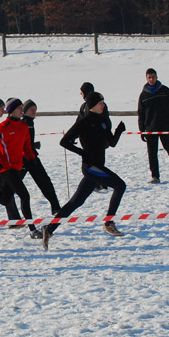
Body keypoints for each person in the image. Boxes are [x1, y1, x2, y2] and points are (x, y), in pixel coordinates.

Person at [42, 92, 127, 250]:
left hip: (97, 167)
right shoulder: (84, 121)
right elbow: (64, 141)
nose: (103, 104)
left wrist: (119, 131)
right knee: (120, 186)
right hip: (90, 168)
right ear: (92, 105)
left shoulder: (103, 120)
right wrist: (82, 153)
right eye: (100, 102)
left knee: (76, 202)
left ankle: (49, 228)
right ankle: (108, 223)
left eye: (103, 101)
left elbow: (112, 143)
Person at [0, 98, 41, 239]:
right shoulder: (2, 127)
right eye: (19, 108)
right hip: (5, 168)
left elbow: (26, 146)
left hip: (17, 167)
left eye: (22, 107)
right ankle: (33, 230)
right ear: (11, 110)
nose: (22, 110)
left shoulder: (23, 127)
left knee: (4, 199)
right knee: (25, 196)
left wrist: (31, 158)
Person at [138, 68, 169, 183]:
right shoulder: (143, 95)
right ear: (146, 78)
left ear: (157, 77)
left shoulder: (165, 90)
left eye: (153, 77)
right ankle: (155, 176)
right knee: (152, 154)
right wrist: (142, 130)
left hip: (166, 126)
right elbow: (141, 113)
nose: (151, 79)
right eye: (149, 77)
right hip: (151, 128)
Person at [21, 100, 62, 215]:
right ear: (25, 111)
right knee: (13, 188)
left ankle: (56, 207)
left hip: (30, 156)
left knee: (44, 182)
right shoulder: (24, 122)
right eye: (31, 109)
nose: (34, 111)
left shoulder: (29, 122)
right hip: (25, 158)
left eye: (35, 109)